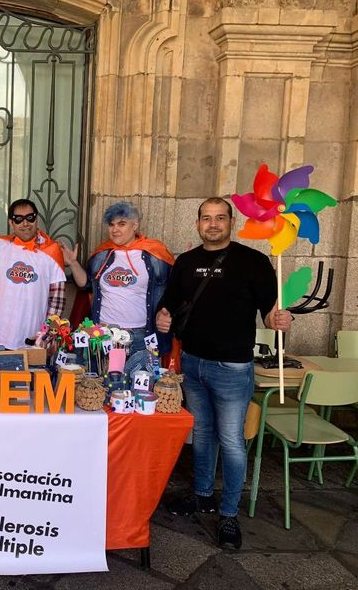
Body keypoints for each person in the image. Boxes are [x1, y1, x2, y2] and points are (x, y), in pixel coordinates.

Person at [156, 197, 292, 550]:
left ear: (231, 222)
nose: (213, 224)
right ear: (198, 223)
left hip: (232, 367)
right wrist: (163, 316)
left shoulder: (254, 262)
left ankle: (229, 513)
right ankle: (203, 495)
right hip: (193, 363)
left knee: (231, 441)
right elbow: (169, 302)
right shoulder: (185, 262)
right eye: (206, 218)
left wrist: (278, 319)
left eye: (220, 218)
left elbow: (269, 313)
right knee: (202, 433)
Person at [62, 201, 174, 371]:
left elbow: (174, 289)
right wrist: (72, 263)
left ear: (135, 225)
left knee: (137, 387)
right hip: (103, 334)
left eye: (122, 224)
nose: (115, 230)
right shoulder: (102, 255)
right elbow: (85, 285)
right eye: (111, 224)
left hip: (139, 336)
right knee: (100, 386)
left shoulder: (155, 254)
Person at [0, 199, 66, 349]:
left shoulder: (52, 251)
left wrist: (47, 335)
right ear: (11, 223)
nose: (25, 223)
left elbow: (57, 300)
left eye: (30, 217)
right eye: (18, 219)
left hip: (32, 339)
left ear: (36, 219)